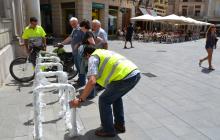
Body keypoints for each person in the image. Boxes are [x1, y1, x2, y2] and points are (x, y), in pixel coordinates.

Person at [69, 46, 141, 137]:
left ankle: (108, 130)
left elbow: (92, 81)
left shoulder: (93, 58)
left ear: (87, 54)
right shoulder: (102, 52)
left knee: (104, 100)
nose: (86, 61)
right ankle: (119, 125)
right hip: (134, 73)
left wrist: (80, 100)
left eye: (85, 58)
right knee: (115, 98)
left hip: (124, 77)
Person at [60, 17, 85, 84]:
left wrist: (78, 44)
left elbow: (85, 40)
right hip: (75, 52)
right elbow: (70, 38)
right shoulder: (74, 29)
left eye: (74, 23)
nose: (73, 25)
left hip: (80, 52)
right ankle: (80, 79)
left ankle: (82, 81)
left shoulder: (81, 30)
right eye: (71, 24)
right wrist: (62, 43)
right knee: (77, 67)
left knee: (81, 67)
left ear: (77, 22)